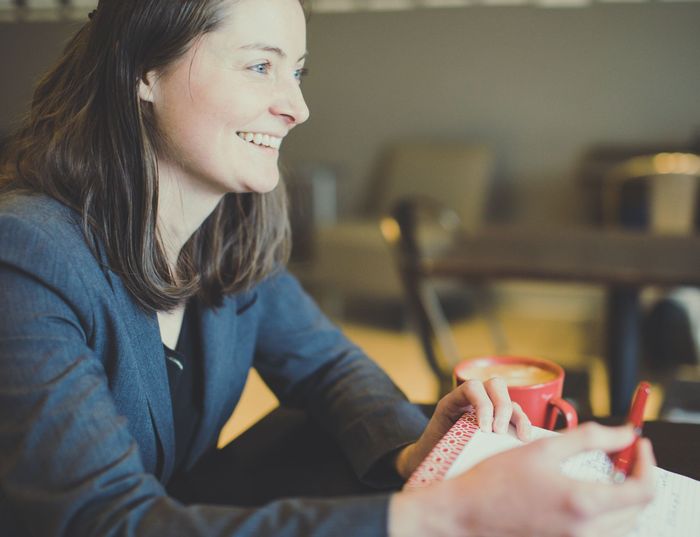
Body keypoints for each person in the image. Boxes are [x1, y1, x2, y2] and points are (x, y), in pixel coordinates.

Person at [0, 0, 655, 536]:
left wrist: (411, 450)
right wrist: (441, 515)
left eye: (298, 73)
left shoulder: (227, 235)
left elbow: (326, 365)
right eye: (261, 66)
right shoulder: (27, 255)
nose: (296, 107)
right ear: (142, 69)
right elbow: (100, 521)